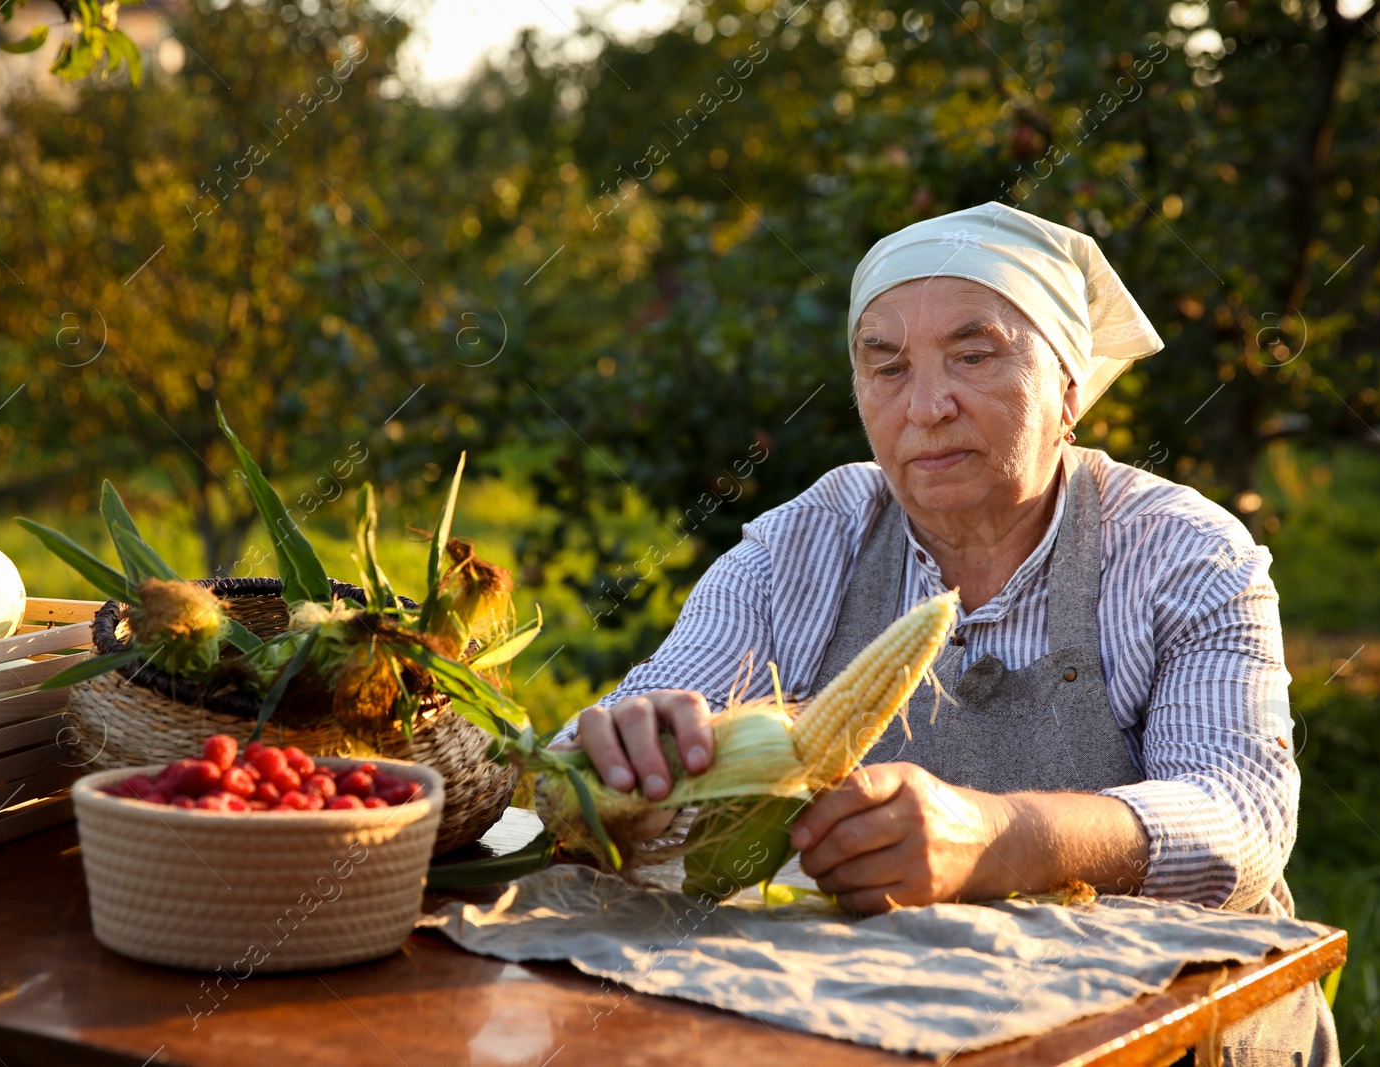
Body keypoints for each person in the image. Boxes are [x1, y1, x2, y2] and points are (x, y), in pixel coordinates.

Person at [552, 201, 1338, 1064]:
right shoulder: (811, 539)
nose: (926, 406)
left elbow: (1244, 816)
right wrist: (627, 751)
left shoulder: (1181, 551)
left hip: (1165, 1025)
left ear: (1069, 389)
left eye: (974, 355)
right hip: (897, 1021)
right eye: (886, 367)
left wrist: (1002, 836)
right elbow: (653, 708)